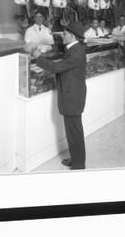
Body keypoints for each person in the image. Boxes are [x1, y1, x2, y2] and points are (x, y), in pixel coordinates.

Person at [34, 21, 87, 170]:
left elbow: (57, 68)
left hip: (72, 97)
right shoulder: (75, 47)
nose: (62, 36)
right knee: (73, 131)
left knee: (74, 131)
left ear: (71, 36)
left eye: (64, 34)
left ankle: (79, 164)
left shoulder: (75, 52)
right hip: (73, 95)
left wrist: (38, 57)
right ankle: (76, 158)